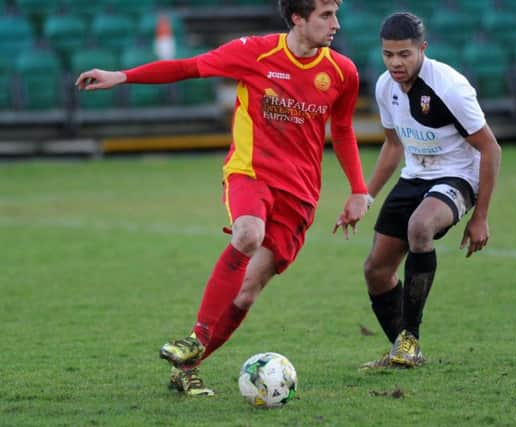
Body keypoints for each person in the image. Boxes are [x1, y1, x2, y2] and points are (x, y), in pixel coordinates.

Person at [76, 0, 370, 396]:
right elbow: (187, 67)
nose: (336, 24)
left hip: (300, 194)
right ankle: (197, 335)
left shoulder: (341, 71)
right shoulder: (255, 52)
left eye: (336, 14)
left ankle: (188, 367)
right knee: (247, 234)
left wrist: (358, 189)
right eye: (326, 15)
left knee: (247, 292)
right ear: (298, 18)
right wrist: (122, 75)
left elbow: (345, 128)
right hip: (251, 173)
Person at [360, 12, 501, 369]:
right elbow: (393, 146)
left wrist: (480, 217)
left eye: (404, 54)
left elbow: (490, 148)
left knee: (420, 228)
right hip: (414, 176)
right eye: (388, 54)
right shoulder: (384, 86)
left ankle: (410, 337)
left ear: (422, 49)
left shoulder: (449, 87)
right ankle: (402, 351)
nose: (395, 62)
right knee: (376, 271)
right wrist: (366, 194)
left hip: (457, 177)